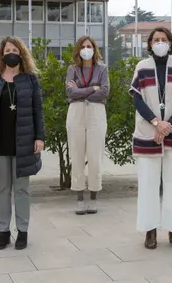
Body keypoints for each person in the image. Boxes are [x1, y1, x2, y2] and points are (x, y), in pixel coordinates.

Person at [129, 26, 172, 250]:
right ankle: (150, 231)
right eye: (155, 39)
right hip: (148, 135)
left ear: (170, 43)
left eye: (163, 39)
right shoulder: (142, 68)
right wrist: (157, 123)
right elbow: (137, 100)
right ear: (149, 44)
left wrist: (169, 125)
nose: (159, 42)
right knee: (147, 185)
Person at [0, 36, 45, 251]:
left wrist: (39, 137)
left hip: (24, 142)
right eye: (7, 50)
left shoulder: (31, 79)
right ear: (1, 54)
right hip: (0, 142)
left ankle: (23, 231)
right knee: (3, 189)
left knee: (22, 189)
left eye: (14, 49)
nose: (11, 53)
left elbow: (38, 111)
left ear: (22, 53)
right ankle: (4, 231)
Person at [66, 36, 110, 215]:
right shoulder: (72, 69)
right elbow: (69, 92)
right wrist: (93, 89)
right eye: (83, 46)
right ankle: (79, 198)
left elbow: (105, 91)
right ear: (78, 49)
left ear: (94, 49)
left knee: (95, 156)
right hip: (76, 113)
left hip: (96, 113)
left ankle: (93, 198)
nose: (86, 49)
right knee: (76, 155)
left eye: (89, 46)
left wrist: (80, 92)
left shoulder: (102, 69)